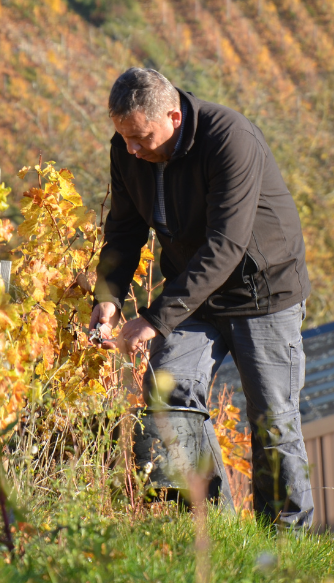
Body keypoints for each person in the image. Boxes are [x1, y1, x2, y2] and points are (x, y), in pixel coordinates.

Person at [90, 67, 313, 527]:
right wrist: (109, 296)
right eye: (124, 137)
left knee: (273, 420)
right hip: (195, 297)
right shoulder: (127, 149)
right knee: (168, 394)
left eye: (140, 137)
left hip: (262, 292)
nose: (131, 148)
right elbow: (125, 231)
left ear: (173, 116)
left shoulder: (230, 139)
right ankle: (212, 527)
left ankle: (287, 541)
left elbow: (226, 245)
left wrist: (154, 317)